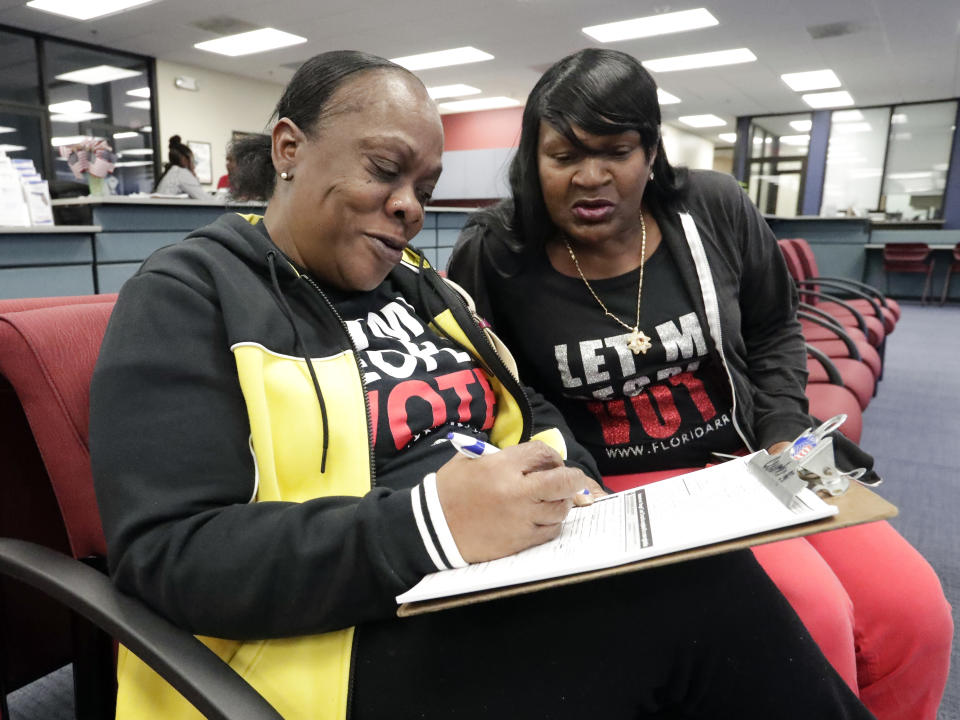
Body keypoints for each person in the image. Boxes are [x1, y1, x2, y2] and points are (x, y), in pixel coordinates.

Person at [90, 50, 876, 720]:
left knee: (696, 585)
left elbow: (526, 403)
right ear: (289, 147)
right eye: (384, 171)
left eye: (423, 187)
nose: (406, 207)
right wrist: (431, 524)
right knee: (703, 602)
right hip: (331, 641)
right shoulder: (188, 291)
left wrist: (580, 490)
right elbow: (167, 555)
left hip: (486, 577)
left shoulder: (419, 285)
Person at [447, 48, 953, 720]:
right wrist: (568, 468)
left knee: (916, 613)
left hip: (752, 458)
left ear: (650, 153)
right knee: (813, 617)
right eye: (564, 155)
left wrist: (783, 432)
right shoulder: (496, 254)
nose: (591, 177)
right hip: (617, 486)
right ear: (532, 161)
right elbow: (496, 386)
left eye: (616, 151)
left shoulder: (712, 209)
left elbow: (775, 327)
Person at [153, 134, 208, 199]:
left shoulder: (172, 172)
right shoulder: (181, 173)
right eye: (193, 162)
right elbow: (205, 199)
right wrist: (194, 178)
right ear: (184, 160)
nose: (194, 166)